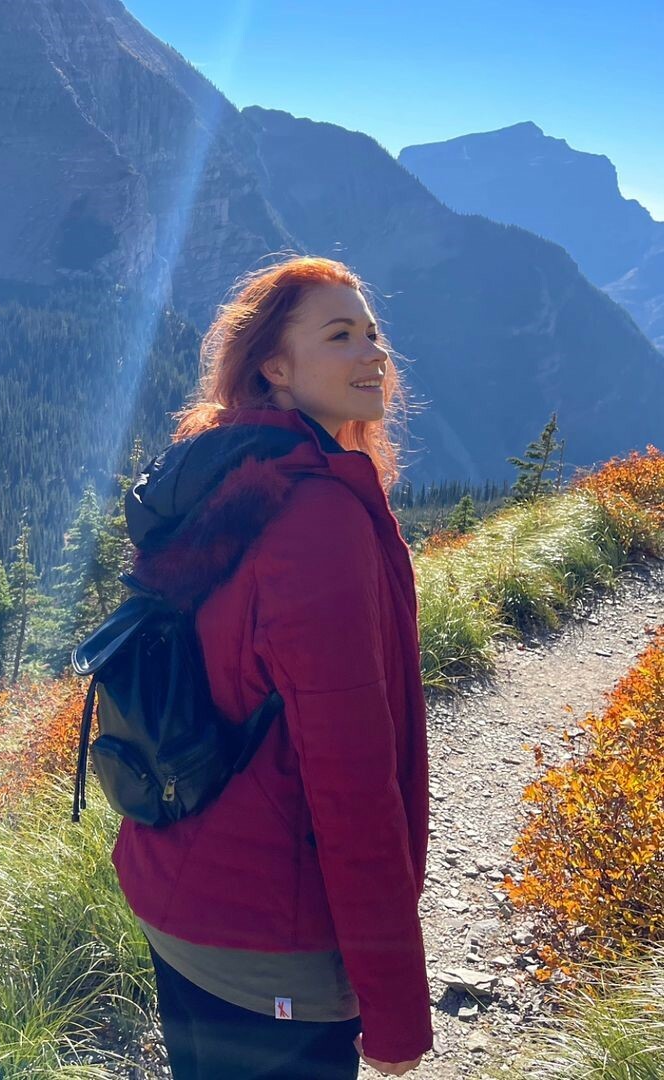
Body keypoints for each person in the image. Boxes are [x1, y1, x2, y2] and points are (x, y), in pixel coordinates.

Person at [113, 255, 433, 1078]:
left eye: (373, 333)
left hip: (176, 882)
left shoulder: (226, 469)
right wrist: (396, 1012)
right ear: (276, 368)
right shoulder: (318, 518)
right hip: (267, 941)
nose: (373, 354)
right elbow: (350, 777)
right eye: (340, 335)